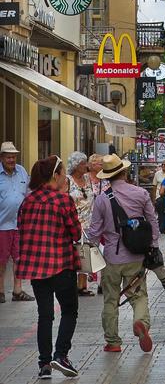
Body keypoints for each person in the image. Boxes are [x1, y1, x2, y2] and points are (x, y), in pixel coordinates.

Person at [16, 155, 81, 379]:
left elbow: (21, 229)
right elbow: (76, 233)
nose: (65, 177)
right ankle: (60, 355)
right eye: (62, 173)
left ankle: (44, 364)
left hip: (36, 267)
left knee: (44, 316)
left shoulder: (28, 201)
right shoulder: (64, 201)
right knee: (69, 310)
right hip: (62, 264)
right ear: (55, 175)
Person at [88, 152, 159, 354]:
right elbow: (152, 220)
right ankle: (140, 322)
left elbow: (95, 231)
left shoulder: (102, 200)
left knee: (110, 299)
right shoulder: (141, 194)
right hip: (136, 255)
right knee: (139, 295)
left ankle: (113, 342)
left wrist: (88, 250)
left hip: (112, 256)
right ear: (124, 172)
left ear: (107, 176)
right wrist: (153, 244)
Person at [0, 140, 33, 304]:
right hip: (2, 225)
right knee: (1, 260)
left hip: (20, 224)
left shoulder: (21, 171)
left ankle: (17, 290)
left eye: (13, 157)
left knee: (19, 258)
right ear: (2, 158)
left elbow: (28, 193)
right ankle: (0, 291)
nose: (12, 160)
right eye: (8, 157)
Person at [66, 152, 95, 297]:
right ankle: (72, 285)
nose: (86, 166)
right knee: (74, 255)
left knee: (85, 255)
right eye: (83, 163)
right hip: (74, 223)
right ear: (76, 166)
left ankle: (82, 286)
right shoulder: (68, 181)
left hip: (89, 222)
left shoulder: (87, 179)